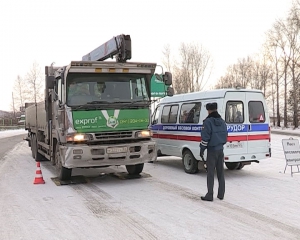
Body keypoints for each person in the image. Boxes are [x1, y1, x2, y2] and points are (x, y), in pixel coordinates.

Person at [200, 102, 228, 201]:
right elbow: (226, 136)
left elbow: (205, 138)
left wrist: (202, 149)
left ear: (209, 110)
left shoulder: (207, 122)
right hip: (221, 150)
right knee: (221, 173)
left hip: (212, 151)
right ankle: (221, 194)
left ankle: (210, 195)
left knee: (210, 173)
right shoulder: (222, 121)